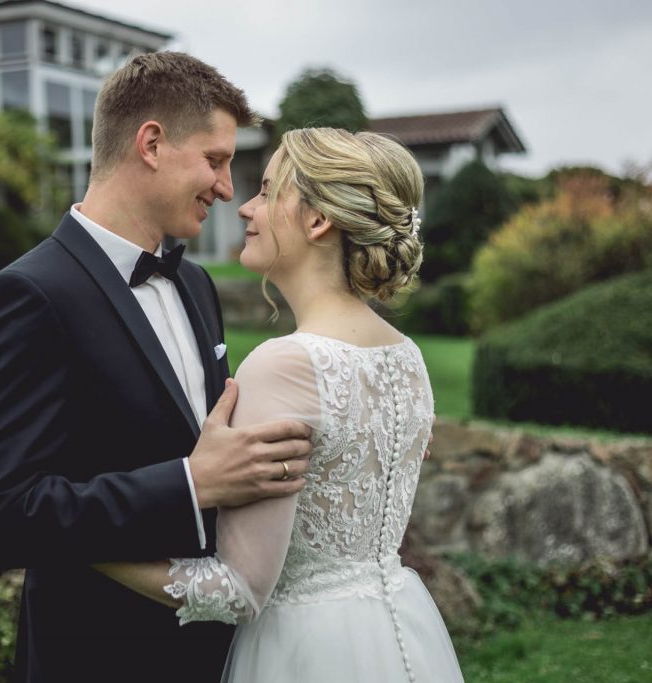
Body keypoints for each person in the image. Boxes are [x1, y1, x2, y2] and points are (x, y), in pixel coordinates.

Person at [0, 52, 314, 683]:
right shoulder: (27, 296)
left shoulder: (196, 285)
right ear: (151, 143)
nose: (228, 188)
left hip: (213, 656)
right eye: (216, 160)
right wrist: (190, 484)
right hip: (94, 656)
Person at [94, 128, 464, 682]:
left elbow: (238, 591)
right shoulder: (406, 357)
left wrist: (81, 546)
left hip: (309, 651)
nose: (245, 206)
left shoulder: (287, 364)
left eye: (267, 192)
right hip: (396, 633)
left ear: (317, 221)